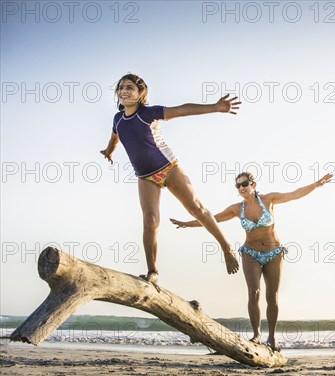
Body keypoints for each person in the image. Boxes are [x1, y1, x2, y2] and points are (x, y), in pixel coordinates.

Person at [100, 73, 241, 284]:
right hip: (145, 177)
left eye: (130, 87)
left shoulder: (149, 113)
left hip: (168, 168)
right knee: (150, 221)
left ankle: (226, 247)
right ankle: (152, 271)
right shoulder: (117, 119)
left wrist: (215, 107)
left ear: (140, 94)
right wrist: (108, 151)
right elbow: (115, 138)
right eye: (121, 88)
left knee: (196, 209)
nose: (124, 91)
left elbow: (183, 110)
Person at [170, 172, 333, 351]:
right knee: (253, 292)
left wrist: (316, 184)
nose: (241, 188)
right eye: (237, 186)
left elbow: (294, 194)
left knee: (272, 297)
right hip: (250, 254)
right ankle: (256, 335)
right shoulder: (236, 209)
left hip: (274, 253)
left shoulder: (269, 199)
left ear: (253, 184)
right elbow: (211, 219)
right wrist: (187, 223)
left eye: (244, 184)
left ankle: (271, 338)